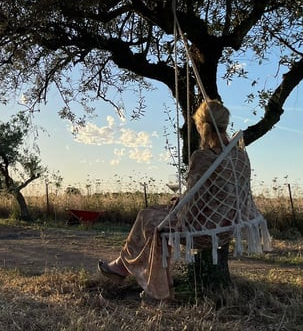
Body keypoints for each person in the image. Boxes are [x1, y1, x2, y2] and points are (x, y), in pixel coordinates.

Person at [97, 99, 251, 300]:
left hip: (202, 229)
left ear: (202, 126)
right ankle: (124, 267)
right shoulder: (240, 156)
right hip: (226, 225)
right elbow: (210, 195)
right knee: (153, 214)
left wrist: (179, 204)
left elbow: (193, 205)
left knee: (151, 220)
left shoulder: (204, 157)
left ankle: (153, 287)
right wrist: (181, 201)